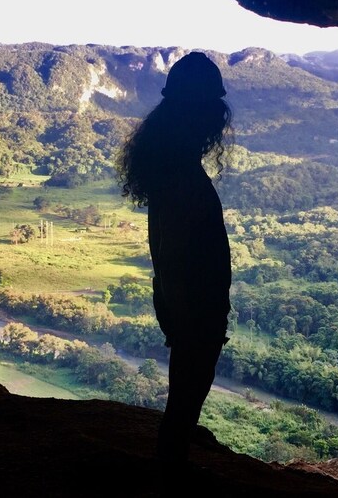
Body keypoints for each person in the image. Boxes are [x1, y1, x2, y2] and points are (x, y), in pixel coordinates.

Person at [116, 51, 233, 467]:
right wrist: (194, 316)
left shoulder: (170, 170)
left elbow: (168, 248)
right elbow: (180, 251)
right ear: (201, 116)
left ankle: (174, 455)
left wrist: (173, 308)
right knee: (189, 390)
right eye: (213, 110)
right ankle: (172, 466)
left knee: (187, 387)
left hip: (182, 303)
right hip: (195, 307)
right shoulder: (183, 178)